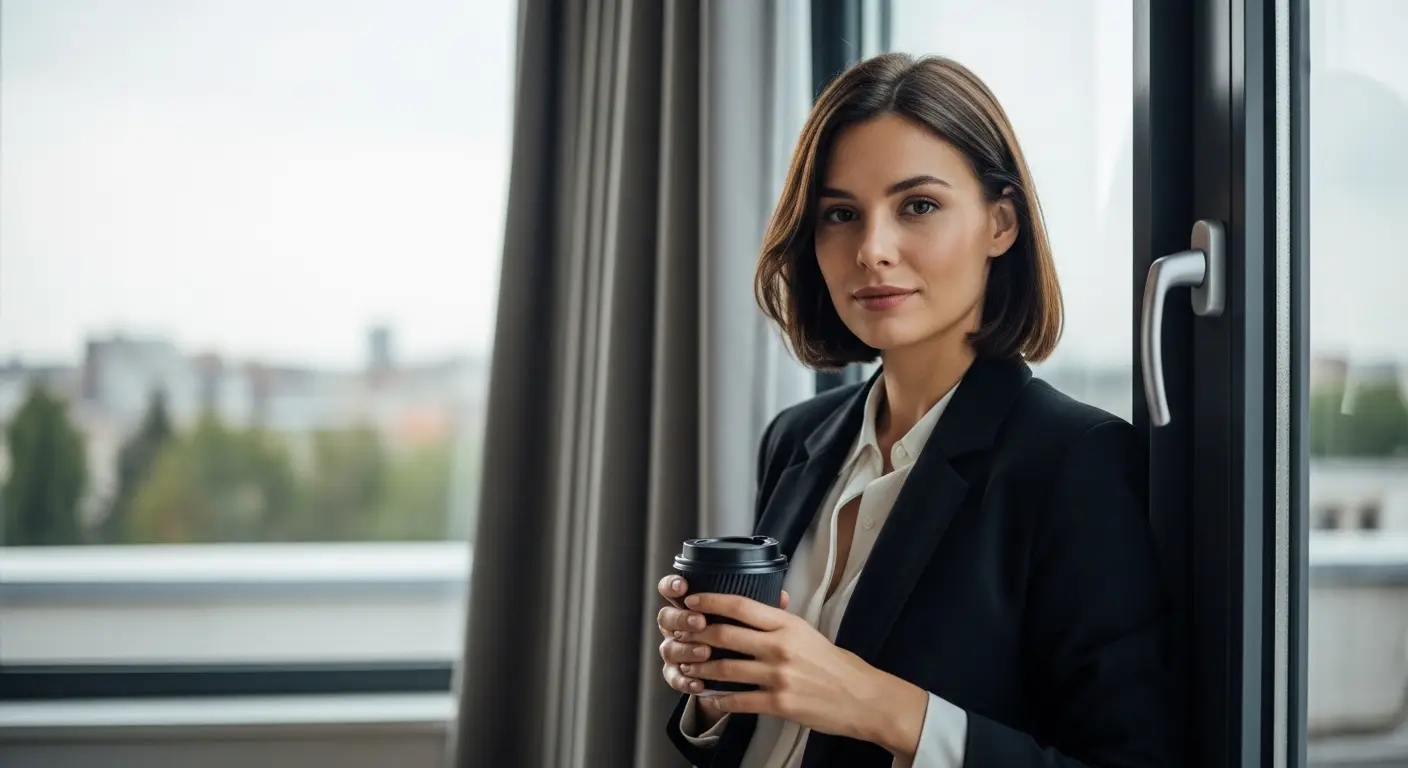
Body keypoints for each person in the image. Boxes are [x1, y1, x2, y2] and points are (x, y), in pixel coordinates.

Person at [654, 53, 1180, 768]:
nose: (872, 250)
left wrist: (877, 705)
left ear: (1001, 224)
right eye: (841, 214)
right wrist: (718, 692)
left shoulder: (1075, 462)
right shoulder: (797, 438)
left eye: (918, 206)